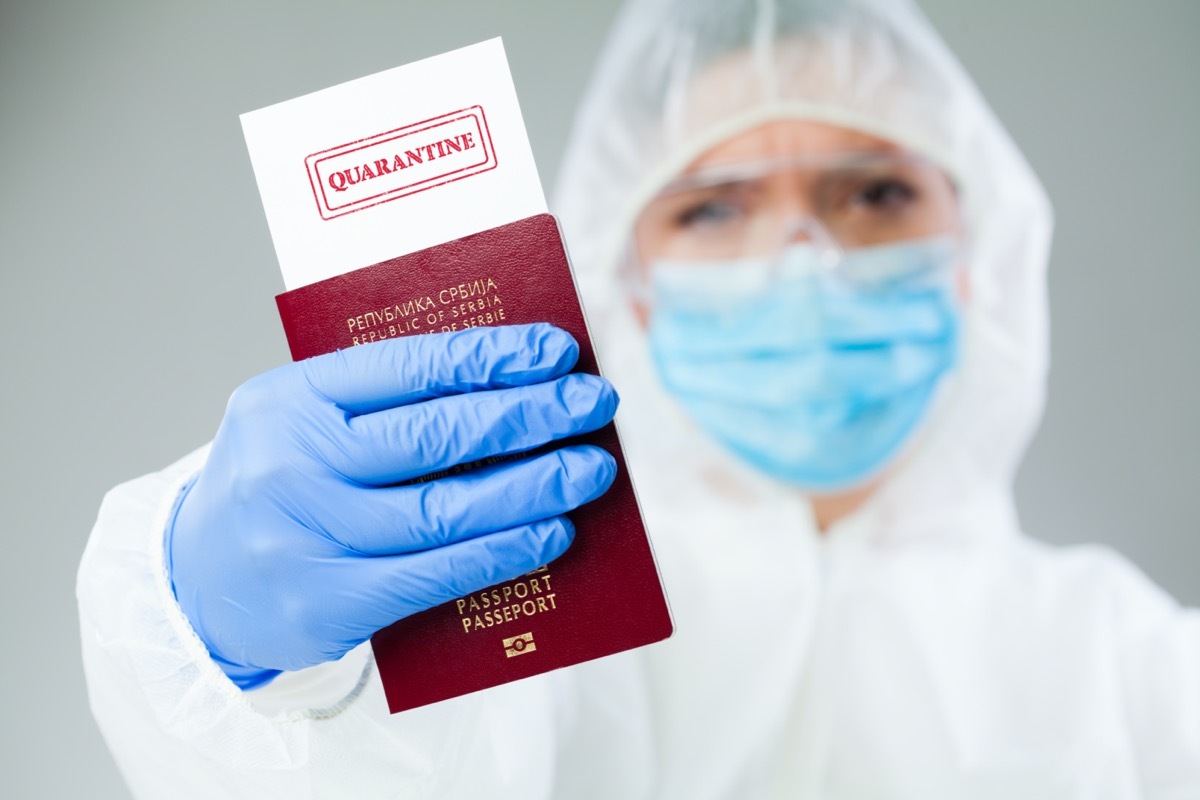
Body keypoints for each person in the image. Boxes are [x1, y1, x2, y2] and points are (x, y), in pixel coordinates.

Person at [78, 0, 1200, 797]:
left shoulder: (1136, 670)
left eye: (875, 192)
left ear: (977, 252)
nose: (804, 257)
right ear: (631, 281)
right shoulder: (530, 623)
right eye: (714, 209)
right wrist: (238, 652)